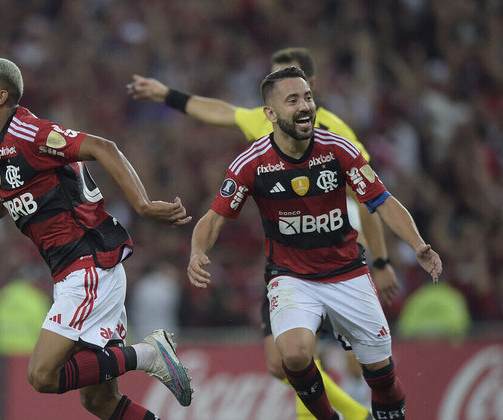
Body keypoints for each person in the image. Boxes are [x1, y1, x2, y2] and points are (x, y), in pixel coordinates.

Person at [128, 47, 396, 420]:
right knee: (285, 361)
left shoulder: (338, 136)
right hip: (290, 265)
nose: (289, 94)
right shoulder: (265, 123)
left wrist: (379, 260)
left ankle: (359, 411)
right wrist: (166, 94)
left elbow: (370, 201)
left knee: (358, 364)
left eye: (297, 85)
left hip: (341, 258)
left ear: (311, 86)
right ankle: (351, 415)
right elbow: (220, 111)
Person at [187, 66, 442, 420]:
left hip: (348, 272)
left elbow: (382, 200)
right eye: (293, 100)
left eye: (307, 97)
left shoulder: (338, 149)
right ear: (271, 114)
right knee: (292, 354)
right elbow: (213, 217)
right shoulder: (252, 162)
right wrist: (197, 251)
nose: (305, 106)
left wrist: (418, 244)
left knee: (381, 377)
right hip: (291, 276)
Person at [0, 57, 193, 419]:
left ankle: (149, 354)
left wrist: (145, 205)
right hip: (71, 272)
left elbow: (105, 148)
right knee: (99, 401)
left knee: (42, 375)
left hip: (88, 265)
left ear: (0, 97)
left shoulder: (30, 134)